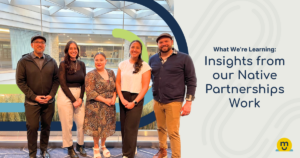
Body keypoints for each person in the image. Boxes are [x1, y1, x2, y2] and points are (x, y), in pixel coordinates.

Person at [149, 33, 197, 158]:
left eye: (166, 41)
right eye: (161, 42)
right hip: (157, 99)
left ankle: (176, 156)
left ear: (171, 42)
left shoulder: (184, 58)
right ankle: (163, 151)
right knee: (160, 128)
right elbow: (151, 78)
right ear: (158, 45)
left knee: (173, 132)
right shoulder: (153, 59)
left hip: (174, 101)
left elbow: (191, 80)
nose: (164, 44)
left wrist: (189, 102)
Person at [16, 35, 59, 158]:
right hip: (32, 102)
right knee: (32, 127)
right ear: (32, 45)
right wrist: (34, 96)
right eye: (37, 42)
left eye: (42, 43)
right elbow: (20, 81)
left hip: (48, 102)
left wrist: (51, 95)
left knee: (46, 127)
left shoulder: (51, 61)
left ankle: (44, 150)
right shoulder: (24, 61)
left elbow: (56, 80)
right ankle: (32, 153)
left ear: (45, 46)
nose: (40, 44)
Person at [116, 40, 151, 158]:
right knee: (124, 128)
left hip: (137, 98)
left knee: (131, 127)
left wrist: (135, 102)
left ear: (141, 50)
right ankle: (130, 148)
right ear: (129, 48)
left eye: (137, 47)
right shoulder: (122, 64)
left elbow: (145, 86)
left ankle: (127, 154)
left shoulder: (145, 66)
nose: (134, 49)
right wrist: (121, 98)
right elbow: (118, 83)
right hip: (123, 97)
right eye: (132, 47)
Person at [84, 52, 117, 158]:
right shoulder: (90, 74)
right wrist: (105, 100)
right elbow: (90, 92)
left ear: (106, 61)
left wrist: (113, 98)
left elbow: (115, 88)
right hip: (95, 106)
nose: (99, 62)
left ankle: (103, 146)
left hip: (109, 106)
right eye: (96, 60)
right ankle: (96, 148)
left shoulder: (111, 72)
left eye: (101, 60)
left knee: (106, 127)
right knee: (96, 127)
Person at [57, 41, 86, 158]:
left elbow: (84, 82)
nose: (73, 50)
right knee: (67, 123)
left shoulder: (82, 64)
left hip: (79, 94)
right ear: (67, 51)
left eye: (75, 48)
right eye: (71, 48)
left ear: (78, 50)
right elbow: (62, 83)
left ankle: (80, 144)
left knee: (81, 122)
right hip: (65, 94)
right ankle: (70, 147)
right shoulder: (63, 64)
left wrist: (80, 98)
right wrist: (73, 99)